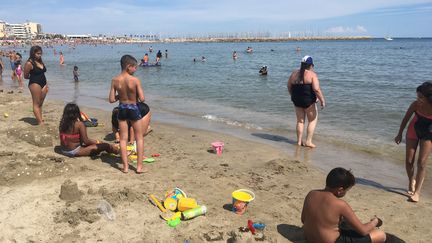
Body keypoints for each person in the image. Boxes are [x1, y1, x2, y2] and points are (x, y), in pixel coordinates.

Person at [301, 167, 386, 243]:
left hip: (310, 238)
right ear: (340, 190)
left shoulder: (311, 194)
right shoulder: (340, 204)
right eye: (347, 190)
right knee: (381, 235)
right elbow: (363, 231)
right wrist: (375, 221)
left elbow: (303, 219)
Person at [395, 81, 432, 202]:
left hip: (428, 134)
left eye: (421, 97)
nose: (418, 99)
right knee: (409, 161)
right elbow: (406, 119)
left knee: (422, 163)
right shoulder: (415, 105)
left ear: (429, 98)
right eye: (417, 96)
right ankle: (411, 180)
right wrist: (399, 134)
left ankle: (417, 193)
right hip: (413, 130)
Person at [109, 55, 146, 174]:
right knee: (139, 137)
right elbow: (142, 98)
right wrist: (133, 96)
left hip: (122, 108)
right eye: (134, 67)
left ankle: (125, 167)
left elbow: (111, 99)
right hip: (133, 108)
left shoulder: (115, 80)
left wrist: (121, 96)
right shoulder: (135, 80)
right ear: (128, 66)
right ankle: (139, 167)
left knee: (123, 139)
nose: (135, 70)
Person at [287, 55, 325, 148]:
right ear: (311, 65)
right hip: (308, 101)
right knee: (312, 120)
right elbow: (316, 89)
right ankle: (308, 141)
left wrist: (292, 95)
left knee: (300, 121)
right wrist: (322, 100)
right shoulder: (312, 75)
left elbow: (289, 86)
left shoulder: (294, 74)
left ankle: (299, 142)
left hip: (297, 100)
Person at [23, 46, 49, 125]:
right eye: (38, 53)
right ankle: (40, 122)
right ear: (33, 53)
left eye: (41, 53)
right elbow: (25, 76)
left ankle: (40, 119)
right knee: (36, 103)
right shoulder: (29, 63)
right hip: (35, 83)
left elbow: (42, 72)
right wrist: (34, 78)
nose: (40, 55)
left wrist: (46, 84)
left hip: (44, 83)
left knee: (41, 103)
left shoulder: (40, 61)